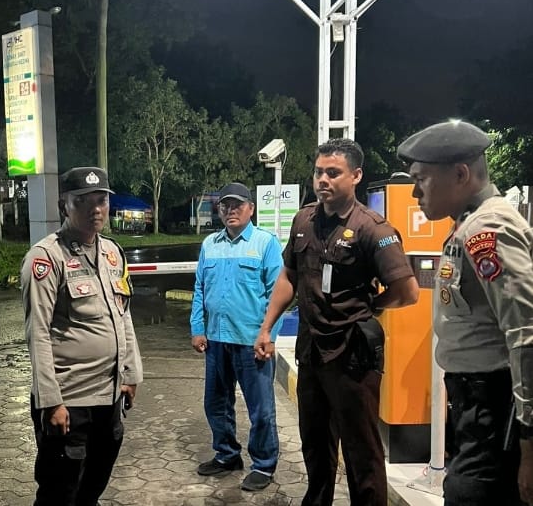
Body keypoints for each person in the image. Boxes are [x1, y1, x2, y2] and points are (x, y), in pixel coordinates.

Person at [254, 138, 419, 506]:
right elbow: (288, 276)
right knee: (314, 444)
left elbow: (407, 291)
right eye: (318, 172)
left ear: (356, 176)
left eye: (333, 173)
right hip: (312, 352)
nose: (322, 180)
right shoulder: (304, 220)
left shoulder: (373, 229)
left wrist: (370, 307)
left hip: (352, 356)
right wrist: (266, 328)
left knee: (362, 452)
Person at [397, 120, 533, 506]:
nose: (414, 192)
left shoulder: (487, 230)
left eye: (421, 179)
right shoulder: (468, 225)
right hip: (475, 406)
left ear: (460, 175)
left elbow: (526, 334)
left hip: (494, 408)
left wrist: (529, 440)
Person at [22, 166, 143, 506]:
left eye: (101, 200)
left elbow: (123, 315)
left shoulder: (112, 253)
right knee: (60, 492)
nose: (95, 209)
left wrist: (131, 374)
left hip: (109, 396)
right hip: (69, 401)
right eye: (83, 201)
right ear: (64, 205)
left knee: (93, 485)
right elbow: (38, 333)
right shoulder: (46, 258)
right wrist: (51, 401)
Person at [191, 182, 283, 492]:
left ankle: (264, 465)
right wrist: (197, 328)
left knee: (261, 409)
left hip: (251, 341)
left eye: (237, 205)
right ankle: (227, 455)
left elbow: (278, 293)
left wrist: (269, 335)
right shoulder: (210, 244)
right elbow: (200, 288)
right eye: (225, 205)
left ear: (251, 209)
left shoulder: (265, 243)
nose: (230, 210)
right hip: (216, 340)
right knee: (215, 404)